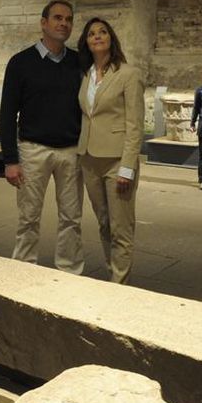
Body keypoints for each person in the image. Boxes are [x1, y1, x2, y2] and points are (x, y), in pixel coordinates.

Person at [0, 0, 84, 274]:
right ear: (44, 22)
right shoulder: (20, 63)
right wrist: (10, 160)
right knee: (28, 217)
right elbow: (7, 114)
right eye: (57, 18)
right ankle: (24, 270)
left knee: (71, 218)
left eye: (68, 19)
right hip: (33, 150)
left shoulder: (77, 62)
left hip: (70, 151)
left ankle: (69, 271)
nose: (64, 23)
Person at [76, 18, 145, 284]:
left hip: (118, 162)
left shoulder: (128, 74)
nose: (97, 36)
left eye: (103, 32)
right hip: (90, 160)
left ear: (111, 38)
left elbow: (134, 125)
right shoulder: (86, 75)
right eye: (92, 34)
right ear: (86, 42)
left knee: (121, 228)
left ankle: (120, 287)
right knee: (104, 224)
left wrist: (127, 167)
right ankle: (112, 275)